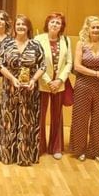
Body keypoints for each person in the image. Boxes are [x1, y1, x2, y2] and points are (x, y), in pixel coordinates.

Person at [0, 14, 45, 166]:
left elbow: (42, 66)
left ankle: (25, 156)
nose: (21, 27)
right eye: (18, 24)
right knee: (8, 121)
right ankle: (8, 154)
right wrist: (12, 78)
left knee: (26, 122)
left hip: (29, 89)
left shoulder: (36, 45)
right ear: (14, 27)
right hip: (10, 87)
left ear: (28, 27)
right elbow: (1, 65)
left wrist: (33, 80)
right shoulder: (7, 43)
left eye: (24, 24)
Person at [69, 16, 99, 161]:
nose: (95, 30)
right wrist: (96, 73)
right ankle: (79, 149)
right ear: (87, 29)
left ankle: (96, 150)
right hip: (83, 84)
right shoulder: (81, 44)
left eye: (98, 27)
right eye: (93, 27)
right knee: (80, 118)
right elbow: (77, 66)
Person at [34, 12, 72, 159]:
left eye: (58, 22)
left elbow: (69, 62)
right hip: (43, 83)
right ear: (47, 24)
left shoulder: (66, 40)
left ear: (61, 26)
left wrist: (60, 80)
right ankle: (40, 146)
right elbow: (37, 62)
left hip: (59, 85)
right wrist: (48, 80)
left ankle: (56, 147)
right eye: (52, 22)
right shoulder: (38, 39)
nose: (55, 25)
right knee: (40, 116)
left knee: (57, 116)